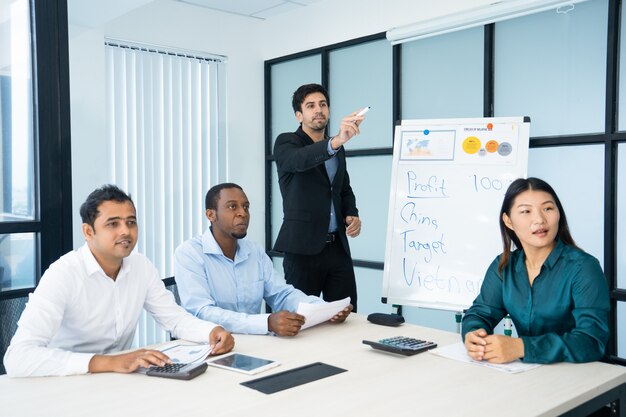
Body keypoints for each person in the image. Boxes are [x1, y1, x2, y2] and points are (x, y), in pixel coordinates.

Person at [3, 185, 234, 377]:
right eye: (113, 224)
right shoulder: (63, 274)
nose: (126, 231)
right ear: (88, 231)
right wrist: (109, 363)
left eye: (131, 222)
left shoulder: (140, 266)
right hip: (65, 384)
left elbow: (174, 319)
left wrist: (211, 331)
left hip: (119, 383)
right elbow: (18, 358)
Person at [462, 177, 610, 364]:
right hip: (530, 376)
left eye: (548, 208)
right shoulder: (503, 265)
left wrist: (522, 347)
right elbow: (480, 313)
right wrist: (474, 335)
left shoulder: (584, 268)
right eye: (526, 211)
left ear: (559, 214)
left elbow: (591, 341)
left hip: (582, 376)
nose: (539, 219)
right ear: (508, 221)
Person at [174, 183, 352, 336]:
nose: (242, 213)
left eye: (246, 207)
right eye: (232, 207)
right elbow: (202, 312)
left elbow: (282, 294)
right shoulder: (189, 253)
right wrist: (265, 323)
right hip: (210, 346)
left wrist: (325, 309)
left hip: (255, 342)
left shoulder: (254, 251)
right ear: (211, 215)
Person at [273, 83, 363, 311]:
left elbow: (343, 188)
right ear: (299, 115)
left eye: (323, 104)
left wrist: (352, 214)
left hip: (337, 248)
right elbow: (299, 160)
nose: (318, 110)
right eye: (310, 106)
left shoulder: (336, 148)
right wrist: (335, 143)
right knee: (301, 318)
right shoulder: (286, 142)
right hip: (302, 249)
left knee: (347, 314)